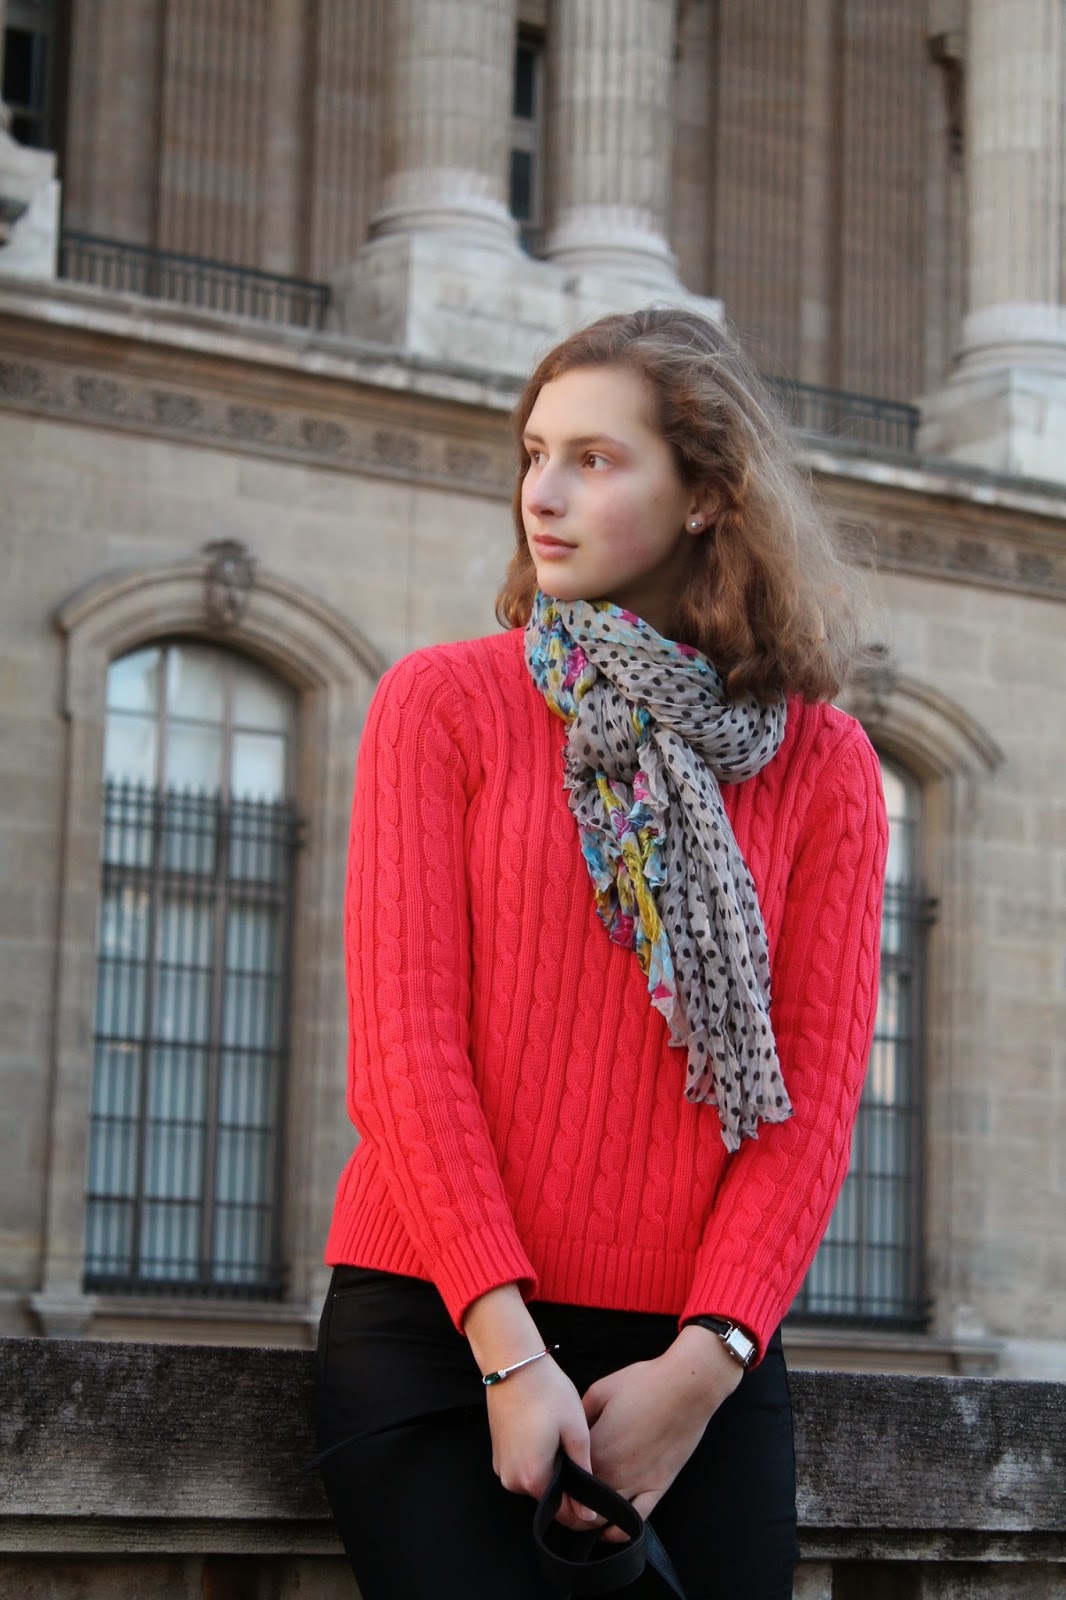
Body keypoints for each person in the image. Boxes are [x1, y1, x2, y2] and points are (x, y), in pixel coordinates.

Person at [315, 306, 888, 1599]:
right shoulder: (443, 704)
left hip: (699, 1353)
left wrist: (704, 1366)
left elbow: (808, 1106)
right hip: (442, 1329)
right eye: (534, 454)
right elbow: (405, 1055)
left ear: (707, 495)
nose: (542, 493)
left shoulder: (825, 766)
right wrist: (510, 1353)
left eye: (595, 458)